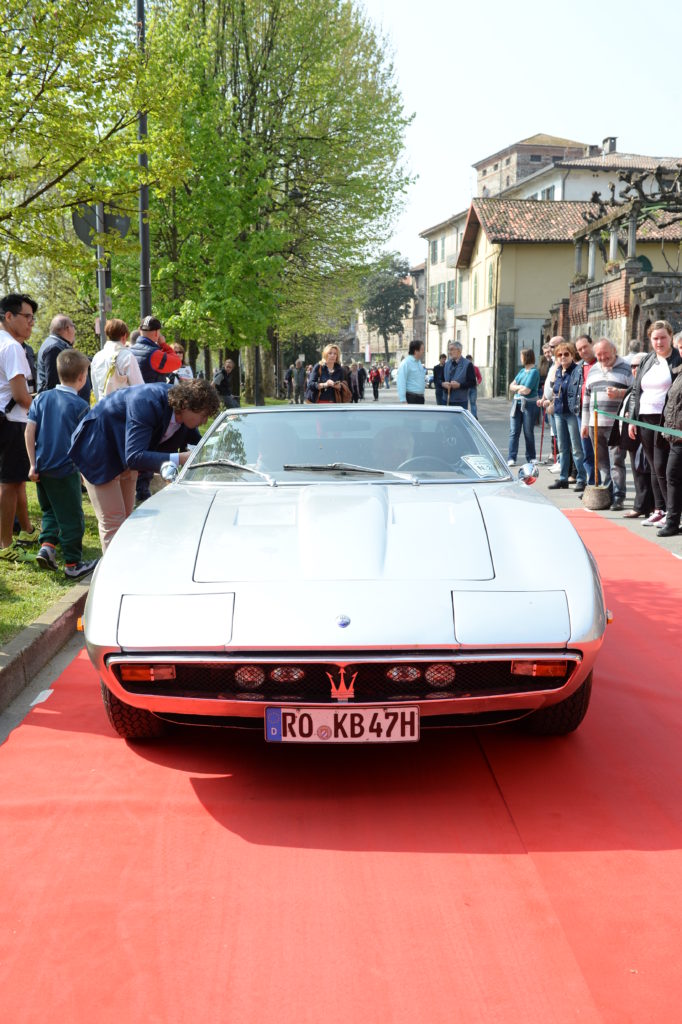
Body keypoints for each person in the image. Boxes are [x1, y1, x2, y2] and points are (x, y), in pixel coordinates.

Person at [70, 379, 220, 552]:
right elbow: (134, 457)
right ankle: (116, 576)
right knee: (113, 523)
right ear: (186, 404)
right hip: (98, 451)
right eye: (204, 414)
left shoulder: (185, 418)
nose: (204, 420)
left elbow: (200, 448)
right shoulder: (146, 401)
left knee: (127, 522)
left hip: (126, 456)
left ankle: (128, 567)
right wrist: (180, 458)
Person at [25, 349, 98, 579]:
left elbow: (29, 431)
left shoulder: (41, 398)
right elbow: (84, 444)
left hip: (42, 466)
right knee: (71, 517)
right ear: (82, 377)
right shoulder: (80, 406)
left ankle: (47, 547)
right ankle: (73, 565)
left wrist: (32, 464)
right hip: (65, 469)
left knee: (50, 510)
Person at [627, 319, 682, 527]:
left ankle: (672, 511)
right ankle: (658, 509)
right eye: (655, 338)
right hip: (644, 417)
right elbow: (635, 391)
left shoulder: (677, 360)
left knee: (663, 466)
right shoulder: (648, 360)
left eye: (663, 338)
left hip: (666, 421)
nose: (659, 342)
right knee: (652, 466)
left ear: (670, 338)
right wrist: (632, 419)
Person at [0, 293, 40, 563]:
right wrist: (43, 403)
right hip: (11, 422)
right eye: (27, 317)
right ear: (9, 316)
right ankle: (5, 544)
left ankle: (25, 530)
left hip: (6, 420)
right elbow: (22, 396)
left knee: (14, 482)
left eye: (33, 318)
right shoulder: (12, 347)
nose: (31, 323)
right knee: (9, 483)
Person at [580, 338, 632, 509]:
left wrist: (619, 393)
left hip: (616, 425)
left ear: (614, 351)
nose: (602, 357)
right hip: (595, 424)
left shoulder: (625, 368)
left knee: (617, 461)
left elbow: (635, 394)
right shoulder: (594, 370)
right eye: (599, 354)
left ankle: (619, 496)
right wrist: (585, 423)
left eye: (605, 354)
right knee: (601, 462)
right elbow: (586, 398)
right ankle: (606, 493)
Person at [547, 342, 586, 491]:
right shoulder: (558, 371)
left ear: (572, 355)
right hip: (558, 413)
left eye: (566, 354)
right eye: (560, 355)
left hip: (571, 413)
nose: (563, 357)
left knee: (576, 448)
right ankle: (563, 478)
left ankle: (581, 478)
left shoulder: (577, 370)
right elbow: (557, 391)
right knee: (562, 448)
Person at [36, 314, 91, 403]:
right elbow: (53, 384)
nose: (75, 331)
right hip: (66, 407)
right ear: (67, 328)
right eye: (73, 326)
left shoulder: (59, 345)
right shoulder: (54, 349)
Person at [658, 351, 682, 536]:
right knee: (672, 475)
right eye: (680, 347)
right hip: (675, 435)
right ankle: (673, 520)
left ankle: (672, 522)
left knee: (672, 474)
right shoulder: (678, 371)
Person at [90, 319, 144, 402]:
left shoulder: (97, 356)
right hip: (122, 407)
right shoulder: (127, 356)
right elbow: (139, 387)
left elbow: (95, 387)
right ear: (124, 336)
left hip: (102, 406)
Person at [507, 348, 540, 465]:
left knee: (528, 432)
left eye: (521, 356)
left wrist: (518, 388)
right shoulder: (522, 371)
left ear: (526, 357)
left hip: (529, 406)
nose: (520, 358)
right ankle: (511, 457)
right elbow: (511, 386)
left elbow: (526, 391)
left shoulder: (534, 372)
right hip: (516, 404)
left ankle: (531, 457)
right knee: (514, 432)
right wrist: (519, 388)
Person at [129, 315, 183, 384]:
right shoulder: (155, 354)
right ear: (157, 333)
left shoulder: (129, 351)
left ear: (139, 329)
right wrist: (163, 344)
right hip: (151, 393)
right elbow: (177, 363)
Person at [575, 335, 597, 485]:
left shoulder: (602, 363)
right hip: (581, 414)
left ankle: (606, 487)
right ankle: (591, 485)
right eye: (580, 349)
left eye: (585, 347)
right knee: (587, 452)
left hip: (599, 414)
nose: (583, 351)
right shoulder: (579, 367)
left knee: (601, 454)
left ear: (592, 344)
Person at [443, 340, 476, 409]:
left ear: (459, 351)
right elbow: (440, 379)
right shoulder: (447, 364)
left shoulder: (468, 364)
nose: (449, 352)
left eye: (452, 350)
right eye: (449, 350)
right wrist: (443, 384)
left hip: (460, 402)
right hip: (446, 400)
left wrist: (459, 385)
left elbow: (472, 382)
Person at [466, 353, 482, 419]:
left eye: (470, 360)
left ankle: (474, 416)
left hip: (473, 387)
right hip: (466, 387)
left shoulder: (475, 368)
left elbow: (479, 377)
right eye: (468, 360)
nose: (469, 361)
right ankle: (465, 416)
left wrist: (478, 382)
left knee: (473, 402)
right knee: (465, 402)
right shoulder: (464, 368)